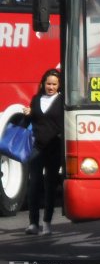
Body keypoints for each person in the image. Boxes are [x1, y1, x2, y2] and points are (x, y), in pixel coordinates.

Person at [22, 68, 64, 235]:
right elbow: (29, 122)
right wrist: (27, 114)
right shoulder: (36, 99)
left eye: (54, 84)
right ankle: (33, 223)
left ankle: (47, 223)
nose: (51, 87)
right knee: (34, 184)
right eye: (48, 84)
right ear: (43, 84)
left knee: (50, 185)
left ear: (59, 85)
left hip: (54, 147)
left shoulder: (62, 100)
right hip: (37, 147)